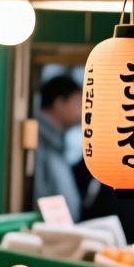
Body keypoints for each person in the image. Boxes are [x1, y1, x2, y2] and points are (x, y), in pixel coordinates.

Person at [34, 75, 85, 218]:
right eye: (78, 103)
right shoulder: (38, 143)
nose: (83, 110)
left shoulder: (55, 143)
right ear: (59, 103)